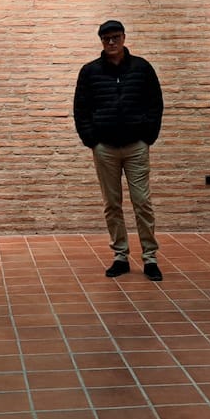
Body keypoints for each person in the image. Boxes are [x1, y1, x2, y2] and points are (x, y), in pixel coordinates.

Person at [73, 19, 165, 281]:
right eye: (106, 39)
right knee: (112, 204)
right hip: (105, 148)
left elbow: (155, 103)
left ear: (124, 37)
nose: (111, 42)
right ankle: (120, 256)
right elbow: (81, 109)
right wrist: (92, 140)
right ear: (101, 41)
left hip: (136, 145)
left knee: (142, 202)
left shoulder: (142, 68)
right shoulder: (90, 71)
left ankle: (150, 257)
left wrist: (148, 136)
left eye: (115, 37)